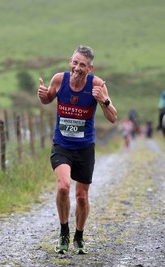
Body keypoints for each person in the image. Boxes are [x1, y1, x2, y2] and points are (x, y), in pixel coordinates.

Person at [37, 45, 117, 254]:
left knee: (81, 196)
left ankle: (79, 237)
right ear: (69, 62)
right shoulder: (59, 79)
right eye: (75, 62)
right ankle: (64, 232)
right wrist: (42, 95)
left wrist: (103, 100)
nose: (77, 68)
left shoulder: (97, 85)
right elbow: (48, 100)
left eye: (82, 65)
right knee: (63, 186)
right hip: (62, 145)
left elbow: (112, 118)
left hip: (84, 148)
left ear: (90, 68)